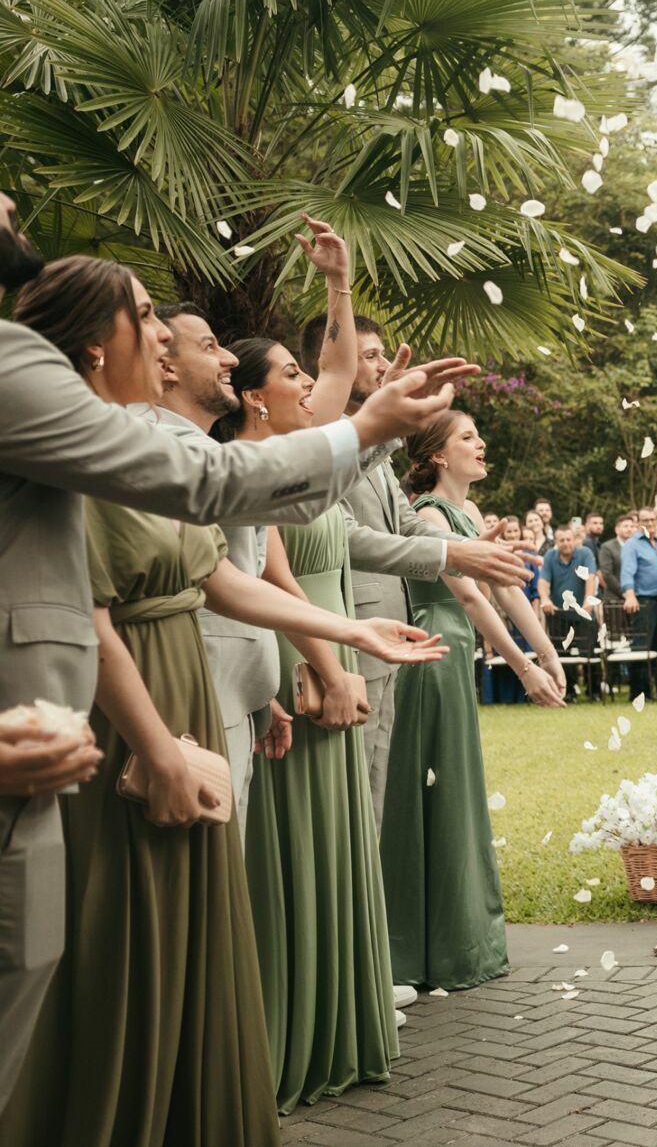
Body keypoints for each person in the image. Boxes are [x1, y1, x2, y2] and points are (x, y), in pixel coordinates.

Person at [0, 196, 465, 1113]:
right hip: (109, 705)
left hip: (108, 723)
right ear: (98, 344)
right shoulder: (46, 399)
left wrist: (344, 633)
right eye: (150, 323)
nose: (172, 347)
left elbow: (220, 552)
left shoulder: (111, 428)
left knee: (98, 954)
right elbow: (203, 499)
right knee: (74, 966)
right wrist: (367, 427)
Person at [217, 329, 409, 1108]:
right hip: (288, 658)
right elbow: (258, 577)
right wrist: (328, 663)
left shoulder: (292, 462)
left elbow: (337, 382)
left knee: (339, 838)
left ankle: (335, 1017)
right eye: (288, 374)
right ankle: (279, 1031)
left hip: (318, 643)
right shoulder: (242, 472)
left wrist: (340, 283)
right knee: (284, 854)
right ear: (255, 394)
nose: (311, 383)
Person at [321, 310, 535, 837]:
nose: (381, 366)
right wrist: (454, 557)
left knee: (378, 792)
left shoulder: (378, 459)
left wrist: (464, 547)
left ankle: (372, 914)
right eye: (368, 356)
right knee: (357, 795)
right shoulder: (320, 445)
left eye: (378, 354)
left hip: (394, 631)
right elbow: (350, 538)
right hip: (359, 629)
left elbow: (409, 525)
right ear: (335, 363)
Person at [385, 413, 564, 995]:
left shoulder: (472, 514)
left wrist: (547, 651)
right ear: (437, 455)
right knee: (437, 792)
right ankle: (421, 949)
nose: (481, 443)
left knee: (458, 787)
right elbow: (466, 594)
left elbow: (507, 587)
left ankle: (461, 939)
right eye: (467, 436)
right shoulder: (431, 515)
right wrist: (521, 666)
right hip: (434, 648)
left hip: (457, 652)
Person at [538, 524, 598, 698]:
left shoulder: (585, 553)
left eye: (568, 539)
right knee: (562, 653)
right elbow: (543, 582)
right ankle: (569, 690)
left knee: (589, 651)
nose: (566, 543)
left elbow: (591, 578)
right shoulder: (550, 556)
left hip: (583, 611)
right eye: (561, 540)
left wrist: (588, 599)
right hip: (559, 614)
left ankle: (594, 690)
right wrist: (545, 598)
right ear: (556, 542)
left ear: (574, 540)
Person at [620, 510, 657, 693]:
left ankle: (648, 690)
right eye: (645, 520)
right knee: (641, 647)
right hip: (643, 601)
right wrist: (630, 595)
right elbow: (627, 572)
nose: (649, 523)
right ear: (638, 523)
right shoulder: (632, 545)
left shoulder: (655, 544)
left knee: (654, 647)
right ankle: (638, 692)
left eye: (652, 519)